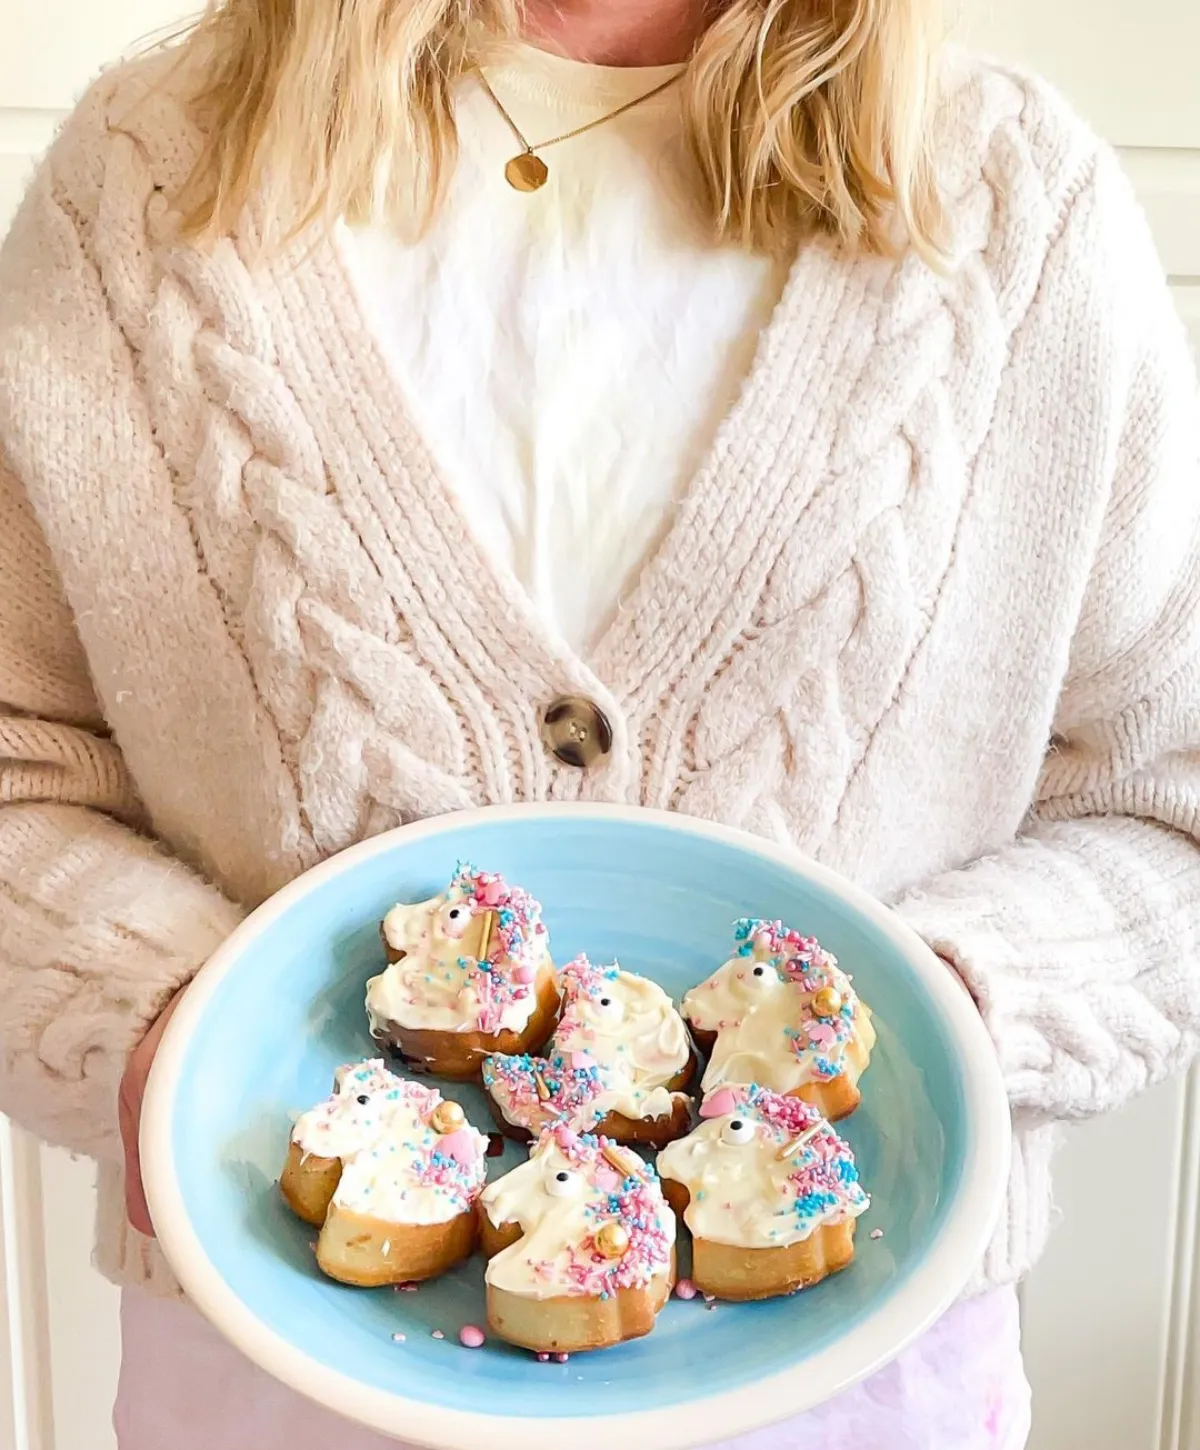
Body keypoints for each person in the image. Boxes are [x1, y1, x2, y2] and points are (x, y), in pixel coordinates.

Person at [1, 0, 1197, 1444]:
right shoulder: (143, 188)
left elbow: (1168, 795)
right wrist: (146, 1031)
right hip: (272, 1390)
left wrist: (940, 1010)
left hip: (855, 1392)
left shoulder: (1018, 214)